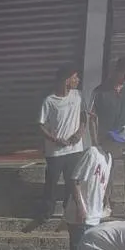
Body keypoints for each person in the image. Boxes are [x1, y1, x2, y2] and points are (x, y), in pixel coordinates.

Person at [90, 57, 125, 218]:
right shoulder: (100, 91)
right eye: (124, 74)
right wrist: (95, 142)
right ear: (116, 71)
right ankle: (106, 204)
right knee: (108, 172)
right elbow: (92, 118)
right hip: (109, 138)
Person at [39, 64, 88, 220]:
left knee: (72, 182)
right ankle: (47, 212)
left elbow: (84, 117)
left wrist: (79, 133)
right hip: (55, 151)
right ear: (67, 80)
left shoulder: (78, 95)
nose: (77, 80)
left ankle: (68, 210)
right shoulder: (49, 101)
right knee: (51, 182)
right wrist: (55, 139)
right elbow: (40, 125)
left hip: (75, 149)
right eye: (75, 77)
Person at [65, 144, 111, 250]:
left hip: (94, 215)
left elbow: (102, 185)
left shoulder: (108, 158)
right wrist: (80, 206)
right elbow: (74, 180)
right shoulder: (92, 153)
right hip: (81, 215)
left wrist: (105, 203)